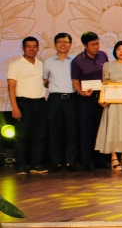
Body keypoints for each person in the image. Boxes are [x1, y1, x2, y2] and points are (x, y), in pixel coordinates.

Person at [8, 36, 48, 175]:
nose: (32, 49)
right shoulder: (15, 65)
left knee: (39, 136)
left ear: (38, 48)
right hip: (23, 103)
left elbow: (44, 82)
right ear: (23, 48)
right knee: (21, 136)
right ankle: (20, 166)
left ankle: (36, 165)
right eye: (28, 46)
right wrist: (14, 107)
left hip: (40, 103)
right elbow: (11, 87)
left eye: (34, 46)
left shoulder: (41, 65)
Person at [71, 31, 109, 171]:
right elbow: (75, 81)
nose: (96, 47)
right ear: (85, 45)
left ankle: (101, 159)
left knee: (100, 129)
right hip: (86, 99)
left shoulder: (103, 56)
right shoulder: (78, 60)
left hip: (101, 97)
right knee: (86, 130)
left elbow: (106, 76)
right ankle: (87, 161)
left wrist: (105, 94)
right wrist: (82, 92)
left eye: (97, 43)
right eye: (93, 44)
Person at [95, 41, 122, 170]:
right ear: (115, 51)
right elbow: (105, 82)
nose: (121, 51)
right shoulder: (109, 65)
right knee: (113, 128)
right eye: (118, 49)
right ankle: (113, 158)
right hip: (112, 102)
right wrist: (102, 97)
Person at [42, 33, 78, 172]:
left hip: (72, 98)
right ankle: (56, 162)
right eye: (60, 42)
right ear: (55, 44)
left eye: (66, 41)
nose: (63, 44)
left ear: (70, 44)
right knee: (53, 131)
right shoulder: (48, 62)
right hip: (55, 99)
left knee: (72, 131)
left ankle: (70, 161)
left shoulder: (76, 60)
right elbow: (44, 80)